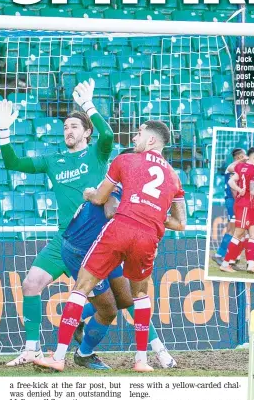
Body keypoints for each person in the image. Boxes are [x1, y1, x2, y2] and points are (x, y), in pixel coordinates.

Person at [34, 120, 186, 373]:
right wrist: (152, 213)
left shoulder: (124, 164)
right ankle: (142, 359)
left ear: (150, 141)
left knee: (107, 297)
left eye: (138, 134)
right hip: (82, 246)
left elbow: (108, 205)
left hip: (116, 234)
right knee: (122, 302)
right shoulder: (173, 175)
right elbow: (181, 224)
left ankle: (66, 355)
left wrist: (92, 194)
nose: (134, 138)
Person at [0, 80, 114, 366]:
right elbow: (13, 164)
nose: (68, 131)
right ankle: (31, 349)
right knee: (31, 284)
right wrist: (3, 132)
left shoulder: (97, 153)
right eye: (65, 127)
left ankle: (151, 350)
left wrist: (88, 105)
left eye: (74, 126)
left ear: (86, 132)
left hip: (98, 240)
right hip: (65, 238)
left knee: (117, 302)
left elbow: (108, 134)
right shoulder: (53, 160)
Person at [60, 158, 176, 370]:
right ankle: (83, 353)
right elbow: (111, 211)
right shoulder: (117, 187)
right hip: (82, 250)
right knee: (109, 310)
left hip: (108, 247)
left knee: (126, 299)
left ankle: (81, 316)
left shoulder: (136, 191)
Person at [219, 147, 254, 274]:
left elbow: (231, 181)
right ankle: (225, 263)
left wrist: (239, 190)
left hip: (247, 206)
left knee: (253, 234)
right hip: (245, 205)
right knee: (238, 234)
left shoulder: (240, 167)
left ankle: (251, 264)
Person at [213, 147, 246, 263]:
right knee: (233, 229)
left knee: (241, 231)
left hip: (236, 202)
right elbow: (233, 189)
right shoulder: (232, 168)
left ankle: (233, 257)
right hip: (233, 201)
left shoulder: (238, 168)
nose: (246, 159)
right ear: (238, 158)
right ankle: (219, 254)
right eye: (243, 156)